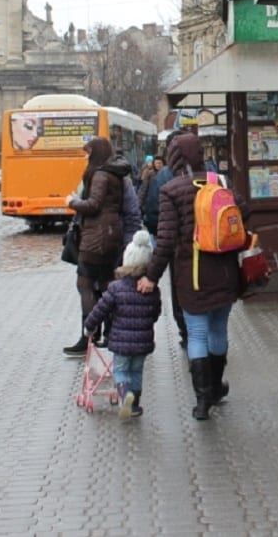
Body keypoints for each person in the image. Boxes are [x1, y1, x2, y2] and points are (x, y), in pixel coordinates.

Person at [137, 132, 240, 420]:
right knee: (218, 329)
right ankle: (216, 386)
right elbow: (243, 212)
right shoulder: (220, 182)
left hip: (192, 273)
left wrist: (151, 276)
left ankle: (202, 401)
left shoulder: (171, 189)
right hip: (224, 269)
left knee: (196, 332)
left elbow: (166, 240)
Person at [62, 137, 143, 356]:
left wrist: (72, 202)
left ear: (96, 154)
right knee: (106, 285)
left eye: (88, 153)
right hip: (107, 237)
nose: (85, 157)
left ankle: (91, 335)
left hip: (99, 239)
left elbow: (97, 206)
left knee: (87, 284)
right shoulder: (112, 175)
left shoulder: (102, 175)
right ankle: (106, 333)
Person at [82, 229, 161, 421]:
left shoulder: (116, 288)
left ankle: (125, 395)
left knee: (121, 370)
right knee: (136, 371)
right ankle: (134, 406)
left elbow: (100, 310)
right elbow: (156, 313)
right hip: (143, 342)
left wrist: (89, 326)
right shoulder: (152, 289)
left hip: (121, 342)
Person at [140, 140, 186, 348]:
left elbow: (153, 212)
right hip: (212, 249)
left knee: (180, 289)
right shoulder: (211, 175)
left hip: (178, 248)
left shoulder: (164, 177)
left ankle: (186, 331)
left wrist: (152, 275)